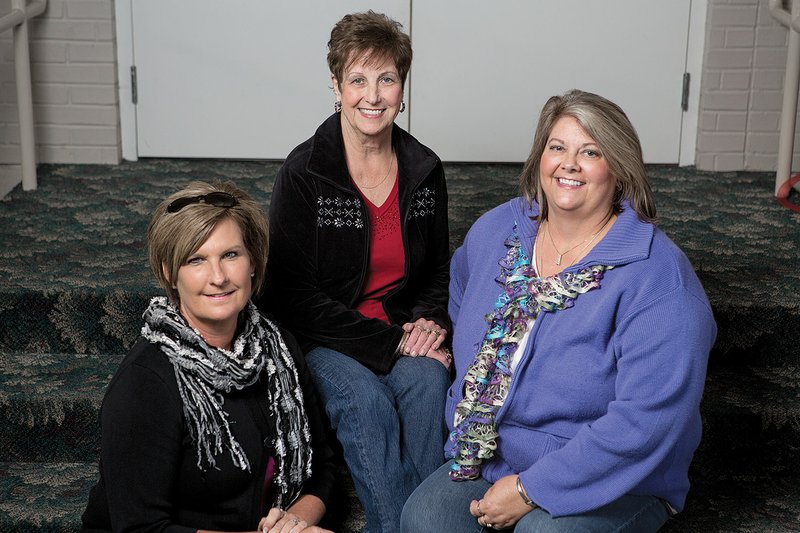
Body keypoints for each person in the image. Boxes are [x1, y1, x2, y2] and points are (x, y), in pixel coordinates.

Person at [400, 90, 717, 532]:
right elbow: (460, 292)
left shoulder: (660, 280)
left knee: (543, 531)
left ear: (620, 171)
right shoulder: (498, 229)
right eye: (557, 147)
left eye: (591, 152)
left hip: (615, 473)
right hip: (492, 454)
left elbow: (648, 423)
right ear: (540, 159)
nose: (569, 163)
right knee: (424, 520)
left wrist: (531, 490)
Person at [258, 10, 452, 533]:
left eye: (386, 78)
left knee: (430, 380)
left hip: (399, 327)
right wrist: (386, 345)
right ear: (336, 85)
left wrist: (430, 322)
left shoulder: (424, 169)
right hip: (324, 336)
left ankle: (433, 522)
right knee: (365, 400)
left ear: (403, 88)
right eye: (358, 79)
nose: (373, 94)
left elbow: (436, 270)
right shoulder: (305, 172)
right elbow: (290, 294)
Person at [81, 181, 335, 533]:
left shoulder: (279, 348)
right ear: (170, 275)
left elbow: (321, 468)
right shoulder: (145, 383)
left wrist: (295, 524)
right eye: (196, 260)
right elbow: (141, 528)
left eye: (230, 255)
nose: (218, 277)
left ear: (253, 263)